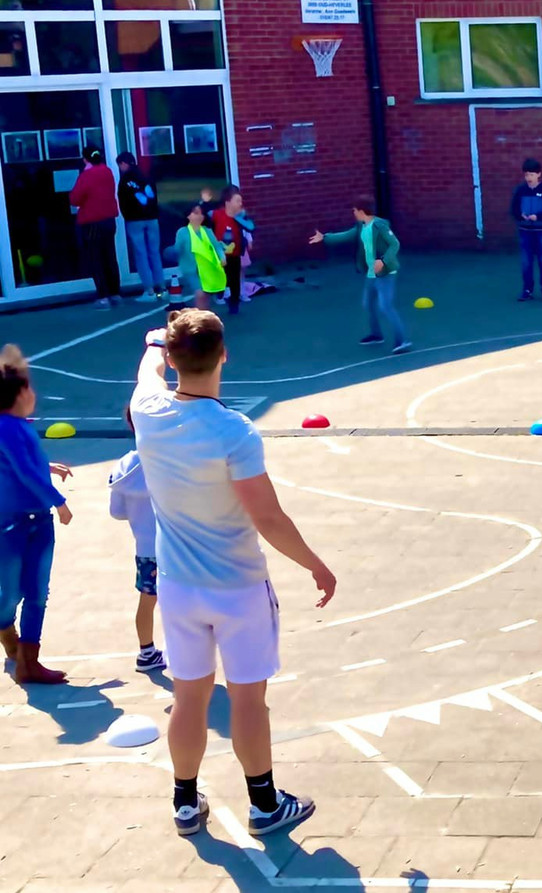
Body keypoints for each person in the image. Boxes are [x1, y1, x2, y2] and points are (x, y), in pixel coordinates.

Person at [131, 310, 336, 837]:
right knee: (247, 697)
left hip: (178, 587)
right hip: (239, 587)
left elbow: (147, 372)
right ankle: (264, 804)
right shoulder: (234, 431)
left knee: (189, 696)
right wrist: (315, 564)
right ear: (223, 355)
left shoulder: (147, 410)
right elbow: (267, 517)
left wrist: (154, 343)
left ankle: (184, 801)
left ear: (173, 357)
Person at [0, 344, 74, 685]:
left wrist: (48, 466)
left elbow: (26, 464)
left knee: (37, 593)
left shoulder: (19, 425)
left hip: (37, 522)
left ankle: (29, 661)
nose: (34, 394)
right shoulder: (7, 427)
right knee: (12, 593)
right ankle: (7, 632)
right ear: (18, 395)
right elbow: (24, 471)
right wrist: (59, 501)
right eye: (29, 388)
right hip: (12, 524)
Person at [309, 196, 411, 354]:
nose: (354, 213)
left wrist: (383, 261)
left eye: (355, 210)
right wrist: (325, 238)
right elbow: (345, 235)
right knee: (368, 303)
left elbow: (394, 244)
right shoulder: (361, 226)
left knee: (385, 306)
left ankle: (402, 340)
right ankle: (377, 335)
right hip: (371, 273)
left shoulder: (380, 225)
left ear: (362, 211)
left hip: (385, 272)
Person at [108, 406, 166, 673]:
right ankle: (190, 652)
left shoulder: (124, 466)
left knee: (147, 599)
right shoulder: (170, 461)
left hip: (145, 548)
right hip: (178, 545)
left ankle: (146, 652)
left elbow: (116, 512)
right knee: (188, 600)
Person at [68, 146, 122, 310]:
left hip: (92, 221)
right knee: (110, 256)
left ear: (85, 159)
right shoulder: (107, 172)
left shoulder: (86, 175)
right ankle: (115, 293)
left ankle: (103, 297)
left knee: (95, 259)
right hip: (109, 220)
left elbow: (75, 199)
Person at [117, 152, 166, 305]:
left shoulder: (125, 180)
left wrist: (127, 216)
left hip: (135, 220)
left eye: (120, 165)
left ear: (123, 163)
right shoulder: (146, 175)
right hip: (152, 218)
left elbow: (123, 201)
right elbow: (155, 196)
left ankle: (149, 290)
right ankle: (162, 287)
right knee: (154, 252)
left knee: (141, 254)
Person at [510, 158, 542, 302]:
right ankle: (527, 290)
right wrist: (521, 215)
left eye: (531, 174)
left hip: (541, 231)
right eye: (526, 175)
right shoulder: (520, 190)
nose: (529, 178)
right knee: (526, 262)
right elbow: (514, 209)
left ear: (538, 174)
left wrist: (538, 216)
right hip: (525, 231)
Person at [172, 202, 228, 312]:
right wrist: (173, 251)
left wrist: (222, 257)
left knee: (205, 295)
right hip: (191, 269)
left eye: (201, 213)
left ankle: (205, 315)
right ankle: (200, 317)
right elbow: (177, 249)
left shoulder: (207, 231)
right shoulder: (182, 232)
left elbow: (216, 246)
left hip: (207, 269)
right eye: (195, 213)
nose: (199, 216)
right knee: (200, 293)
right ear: (188, 216)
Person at [211, 186, 249, 315]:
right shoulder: (216, 214)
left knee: (235, 279)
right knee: (222, 276)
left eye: (240, 201)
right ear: (227, 201)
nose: (240, 203)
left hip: (235, 252)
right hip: (220, 253)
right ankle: (220, 292)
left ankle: (234, 303)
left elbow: (249, 227)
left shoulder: (239, 216)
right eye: (237, 200)